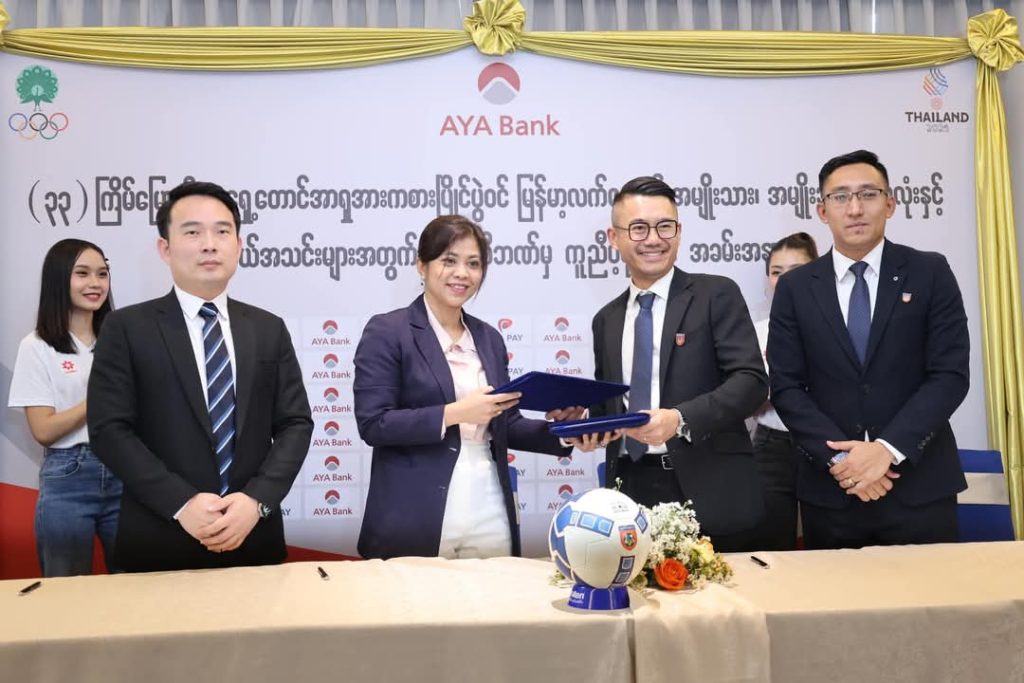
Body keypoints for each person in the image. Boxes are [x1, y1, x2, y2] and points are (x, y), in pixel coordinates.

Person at [87, 181, 313, 572]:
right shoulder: (126, 328)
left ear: (239, 246)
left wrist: (256, 501)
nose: (210, 244)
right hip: (158, 539)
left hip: (252, 537)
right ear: (165, 248)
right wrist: (181, 503)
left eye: (222, 231)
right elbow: (109, 429)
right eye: (192, 232)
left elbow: (295, 423)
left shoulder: (267, 328)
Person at [354, 215, 593, 560]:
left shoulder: (488, 338)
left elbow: (507, 424)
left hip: (488, 498)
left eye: (473, 263)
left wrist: (565, 432)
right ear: (422, 265)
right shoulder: (388, 331)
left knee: (493, 592)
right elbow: (374, 423)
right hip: (414, 506)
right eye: (449, 260)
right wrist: (456, 413)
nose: (462, 273)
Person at [767, 150, 970, 549]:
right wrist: (844, 462)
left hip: (920, 487)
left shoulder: (930, 271)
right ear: (822, 211)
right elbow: (787, 388)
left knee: (930, 590)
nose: (855, 208)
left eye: (868, 194)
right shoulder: (795, 288)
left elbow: (949, 376)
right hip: (833, 492)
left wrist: (886, 451)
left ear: (890, 203)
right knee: (837, 593)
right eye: (841, 197)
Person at [591, 176, 768, 552]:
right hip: (631, 493)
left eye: (664, 226)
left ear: (679, 231)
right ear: (613, 238)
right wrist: (583, 423)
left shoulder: (715, 294)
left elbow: (751, 381)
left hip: (712, 490)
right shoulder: (606, 319)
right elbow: (609, 408)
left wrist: (680, 419)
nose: (653, 239)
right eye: (638, 228)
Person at [8, 239, 122, 576]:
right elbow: (43, 430)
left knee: (136, 587)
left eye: (102, 274)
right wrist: (98, 399)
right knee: (66, 592)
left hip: (125, 471)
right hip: (68, 476)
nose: (95, 283)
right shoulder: (37, 345)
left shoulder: (121, 338)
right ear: (59, 279)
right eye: (82, 273)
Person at [750, 232, 818, 550]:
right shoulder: (756, 332)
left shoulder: (837, 326)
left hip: (824, 442)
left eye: (796, 270)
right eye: (776, 272)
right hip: (771, 444)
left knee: (830, 545)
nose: (785, 280)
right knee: (771, 545)